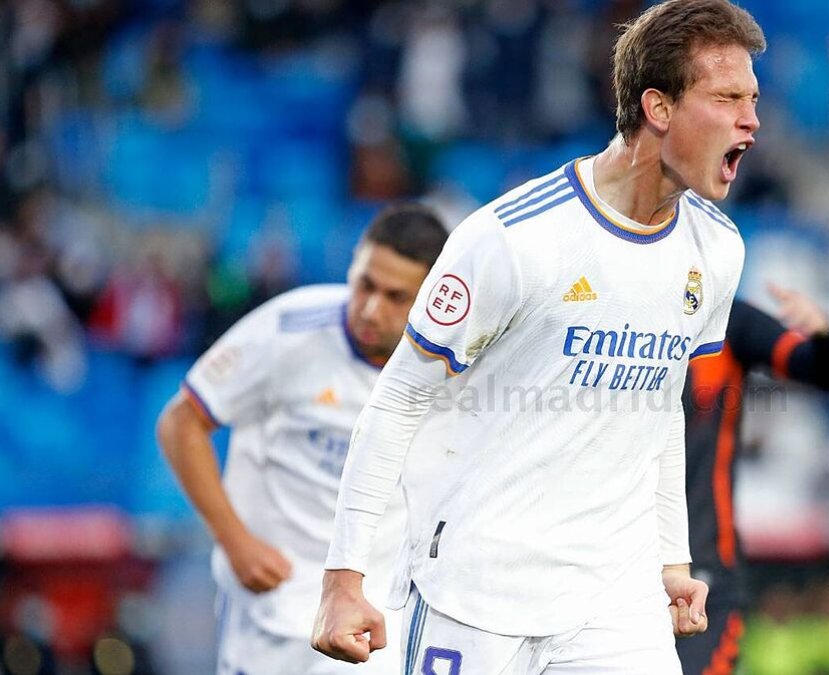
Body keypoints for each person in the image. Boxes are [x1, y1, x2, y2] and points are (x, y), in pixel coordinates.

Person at [311, 1, 765, 672]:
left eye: (753, 99)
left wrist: (671, 559)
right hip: (477, 591)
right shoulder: (514, 239)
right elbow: (399, 397)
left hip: (613, 601)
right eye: (728, 98)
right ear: (658, 108)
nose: (751, 122)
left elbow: (662, 405)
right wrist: (343, 581)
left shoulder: (717, 250)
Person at [155, 204, 448, 675]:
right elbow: (180, 421)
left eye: (397, 296)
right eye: (366, 284)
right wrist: (234, 540)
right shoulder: (290, 328)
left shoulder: (451, 367)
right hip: (272, 607)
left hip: (373, 618)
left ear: (432, 297)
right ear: (352, 265)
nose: (372, 308)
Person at [678, 288, 829, 675]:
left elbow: (827, 372)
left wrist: (823, 334)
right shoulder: (606, 316)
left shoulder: (727, 319)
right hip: (614, 564)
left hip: (703, 565)